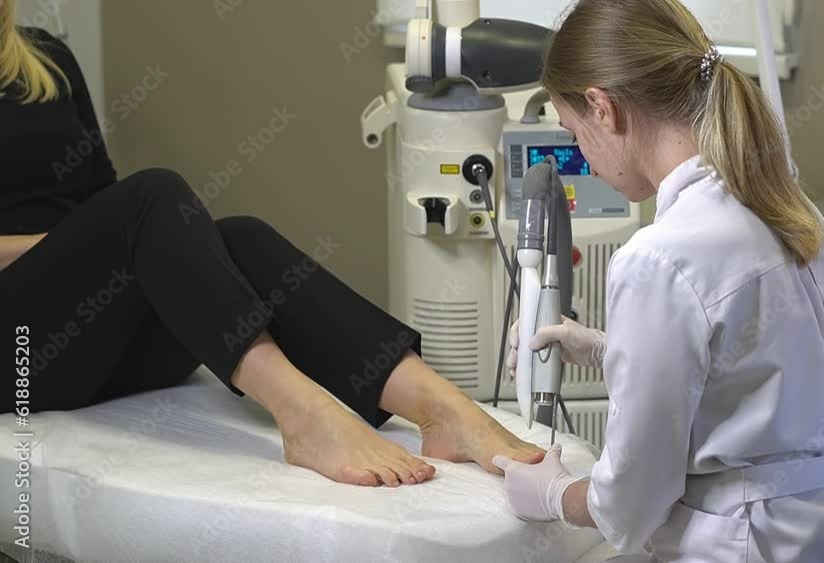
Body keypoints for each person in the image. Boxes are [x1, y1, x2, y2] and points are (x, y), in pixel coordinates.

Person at [0, 0, 544, 489]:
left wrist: (110, 247)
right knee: (152, 197)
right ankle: (303, 416)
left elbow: (100, 196)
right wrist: (80, 246)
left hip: (94, 343)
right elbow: (114, 220)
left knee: (240, 237)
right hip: (19, 359)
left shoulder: (46, 57)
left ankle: (442, 410)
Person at [492, 0, 824, 561]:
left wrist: (555, 494)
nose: (585, 159)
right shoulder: (793, 212)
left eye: (575, 133)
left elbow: (630, 503)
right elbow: (762, 374)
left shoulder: (660, 257)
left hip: (747, 543)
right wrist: (608, 349)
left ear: (603, 108)